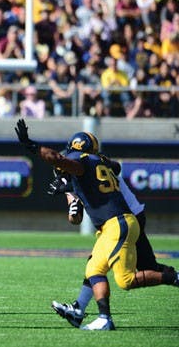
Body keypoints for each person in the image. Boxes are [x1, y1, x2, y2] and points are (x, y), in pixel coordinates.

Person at [15, 119, 175, 330]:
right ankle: (97, 316)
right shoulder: (99, 162)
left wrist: (31, 145)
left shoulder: (82, 164)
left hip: (121, 221)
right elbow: (78, 212)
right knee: (94, 268)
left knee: (127, 279)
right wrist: (69, 188)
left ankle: (175, 278)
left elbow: (59, 160)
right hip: (115, 223)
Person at [47, 155, 179, 328]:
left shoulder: (94, 165)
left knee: (132, 276)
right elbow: (75, 218)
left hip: (125, 219)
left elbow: (104, 174)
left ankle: (175, 277)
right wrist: (70, 194)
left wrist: (68, 186)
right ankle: (82, 310)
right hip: (116, 222)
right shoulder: (85, 171)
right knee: (95, 264)